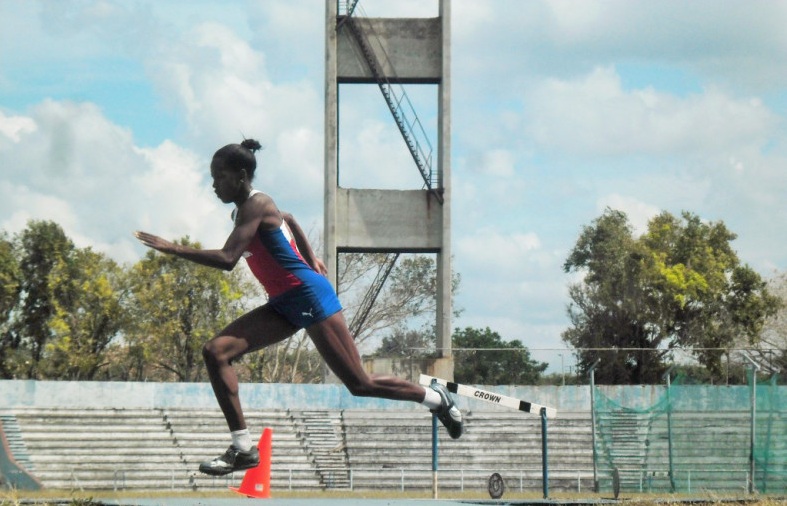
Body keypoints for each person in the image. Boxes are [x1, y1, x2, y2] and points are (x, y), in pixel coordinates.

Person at [134, 138, 462, 476]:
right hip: (283, 303)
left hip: (308, 297)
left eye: (219, 176)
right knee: (215, 352)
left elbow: (228, 259)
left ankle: (436, 399)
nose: (213, 184)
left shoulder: (256, 204)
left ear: (241, 175)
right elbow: (287, 218)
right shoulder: (245, 210)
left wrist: (172, 248)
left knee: (359, 383)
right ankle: (243, 449)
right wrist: (309, 255)